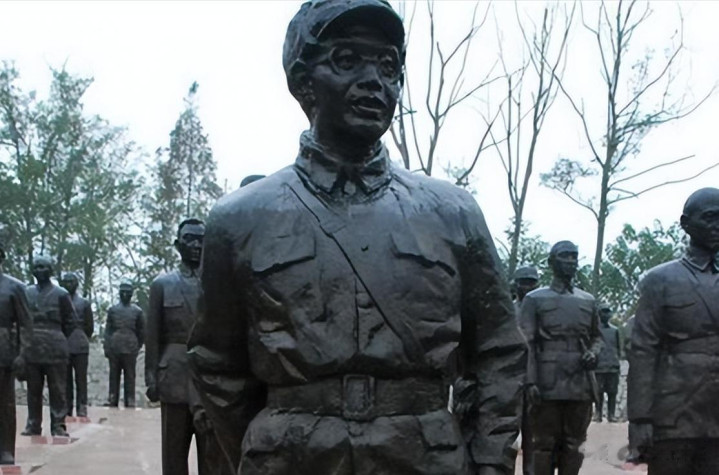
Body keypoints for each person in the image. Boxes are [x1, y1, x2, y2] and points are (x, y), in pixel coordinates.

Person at [188, 1, 527, 474]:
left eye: (388, 66)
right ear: (303, 81)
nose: (374, 81)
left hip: (424, 458)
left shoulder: (452, 213)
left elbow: (499, 352)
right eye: (347, 60)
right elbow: (218, 364)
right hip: (292, 458)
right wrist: (268, 446)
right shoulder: (241, 218)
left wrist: (489, 462)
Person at [628, 187, 719, 475]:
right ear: (685, 223)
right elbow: (643, 351)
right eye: (710, 217)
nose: (717, 225)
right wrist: (640, 419)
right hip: (674, 415)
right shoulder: (660, 279)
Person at [146, 218, 233, 475]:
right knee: (173, 451)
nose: (196, 245)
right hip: (173, 375)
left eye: (201, 240)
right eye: (189, 239)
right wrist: (151, 377)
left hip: (210, 378)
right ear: (177, 244)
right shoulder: (162, 285)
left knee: (213, 454)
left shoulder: (218, 285)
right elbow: (153, 336)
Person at [519, 241, 603, 475]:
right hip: (547, 382)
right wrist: (530, 381)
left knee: (574, 444)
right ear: (551, 262)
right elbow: (527, 343)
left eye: (574, 256)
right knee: (543, 444)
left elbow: (597, 336)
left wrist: (594, 352)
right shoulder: (534, 299)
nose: (571, 261)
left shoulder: (588, 300)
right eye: (564, 256)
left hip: (580, 382)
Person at [23, 256, 75, 437]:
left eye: (43, 267)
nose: (39, 270)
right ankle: (33, 424)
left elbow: (70, 322)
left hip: (55, 346)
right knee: (33, 389)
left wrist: (57, 336)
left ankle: (58, 424)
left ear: (50, 271)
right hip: (32, 346)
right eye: (36, 267)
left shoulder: (61, 294)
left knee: (57, 388)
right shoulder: (26, 292)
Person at [0, 239, 32, 464]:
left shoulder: (15, 287)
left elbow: (26, 324)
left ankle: (6, 449)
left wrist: (23, 353)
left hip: (4, 349)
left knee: (5, 404)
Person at [513, 265, 539, 475]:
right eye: (524, 282)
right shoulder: (507, 310)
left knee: (533, 436)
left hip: (535, 379)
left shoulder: (542, 310)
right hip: (510, 377)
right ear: (516, 285)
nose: (528, 287)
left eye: (532, 283)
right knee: (506, 434)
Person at [104, 280, 144, 408]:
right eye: (123, 292)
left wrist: (137, 346)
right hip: (115, 346)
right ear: (119, 293)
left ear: (132, 294)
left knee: (130, 375)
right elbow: (108, 330)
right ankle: (112, 398)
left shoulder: (137, 311)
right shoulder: (113, 310)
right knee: (114, 375)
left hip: (130, 347)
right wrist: (107, 346)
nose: (125, 294)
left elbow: (141, 331)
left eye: (128, 292)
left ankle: (130, 399)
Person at [60, 272, 94, 418]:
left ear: (77, 284)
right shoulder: (60, 301)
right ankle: (67, 407)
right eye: (66, 282)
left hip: (80, 344)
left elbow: (89, 326)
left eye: (71, 281)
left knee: (81, 379)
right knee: (65, 380)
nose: (69, 284)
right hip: (64, 344)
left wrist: (81, 336)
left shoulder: (84, 303)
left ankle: (82, 406)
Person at [593, 303, 621, 423]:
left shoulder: (615, 330)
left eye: (608, 312)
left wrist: (616, 361)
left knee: (612, 392)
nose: (606, 314)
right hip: (599, 366)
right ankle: (598, 414)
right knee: (598, 392)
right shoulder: (595, 330)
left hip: (612, 365)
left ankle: (611, 414)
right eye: (603, 311)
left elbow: (618, 348)